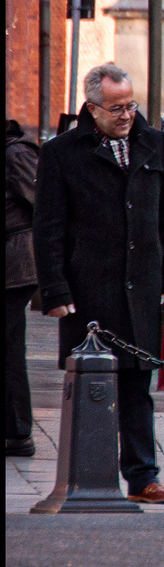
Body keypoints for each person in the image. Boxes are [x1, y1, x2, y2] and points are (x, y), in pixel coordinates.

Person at [33, 65, 164, 504]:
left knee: (138, 385)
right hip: (89, 290)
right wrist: (55, 292)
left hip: (143, 285)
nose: (125, 115)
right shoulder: (62, 153)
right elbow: (48, 228)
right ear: (92, 108)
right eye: (116, 108)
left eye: (131, 105)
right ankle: (87, 475)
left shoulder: (152, 143)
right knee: (92, 384)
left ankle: (143, 478)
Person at [6, 120, 39, 457]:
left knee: (10, 345)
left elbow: (41, 204)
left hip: (14, 266)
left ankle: (17, 430)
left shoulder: (15, 153)